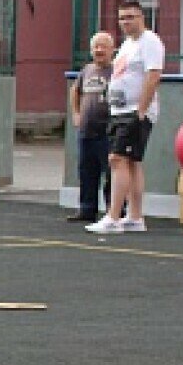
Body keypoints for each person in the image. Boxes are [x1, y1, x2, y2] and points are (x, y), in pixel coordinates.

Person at [87, 0, 165, 234]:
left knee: (117, 159)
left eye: (131, 17)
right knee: (131, 162)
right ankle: (135, 216)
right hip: (119, 111)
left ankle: (113, 217)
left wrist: (141, 110)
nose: (126, 22)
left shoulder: (150, 41)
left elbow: (153, 75)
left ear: (142, 17)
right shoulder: (127, 45)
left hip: (133, 112)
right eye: (122, 18)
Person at [67, 31, 115, 222]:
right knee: (86, 172)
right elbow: (75, 91)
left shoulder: (116, 71)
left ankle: (114, 210)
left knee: (111, 172)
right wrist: (76, 113)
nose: (99, 50)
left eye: (103, 46)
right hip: (86, 131)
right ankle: (87, 209)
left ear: (112, 50)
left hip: (108, 131)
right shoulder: (86, 70)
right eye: (96, 47)